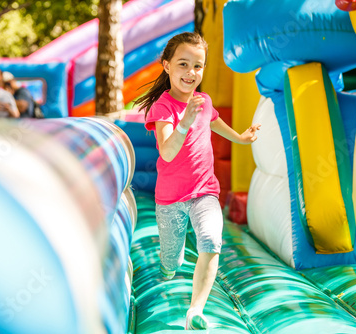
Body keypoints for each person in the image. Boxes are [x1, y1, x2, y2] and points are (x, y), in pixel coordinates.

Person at [135, 32, 261, 330]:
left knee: (211, 241)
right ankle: (168, 268)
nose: (191, 73)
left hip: (204, 191)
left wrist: (241, 138)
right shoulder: (163, 108)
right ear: (166, 66)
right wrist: (185, 123)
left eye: (198, 66)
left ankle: (195, 311)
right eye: (183, 64)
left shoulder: (203, 101)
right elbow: (166, 152)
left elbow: (213, 120)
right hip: (170, 198)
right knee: (172, 261)